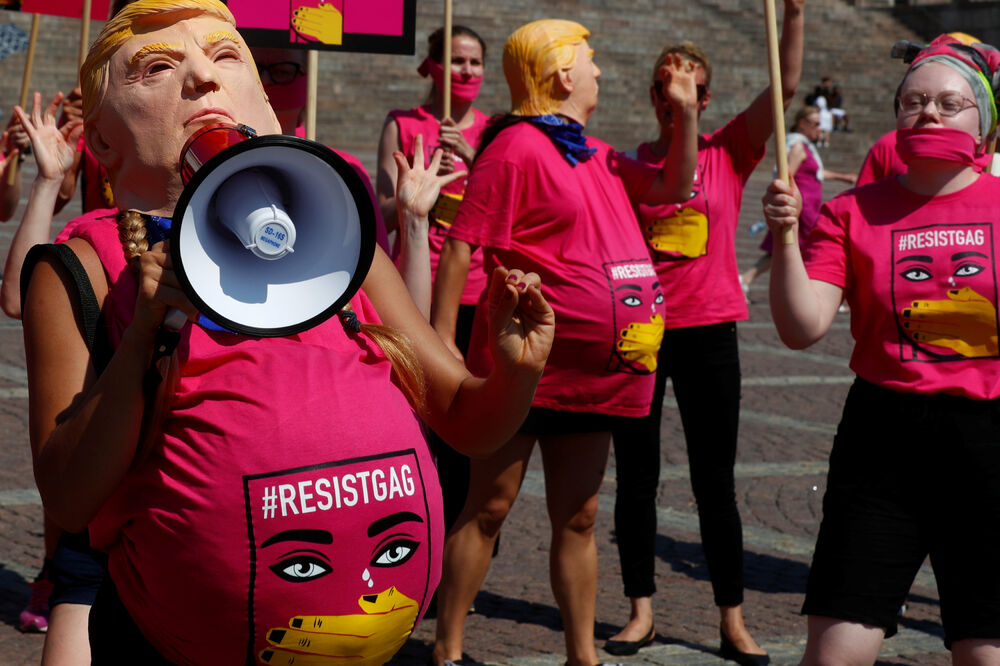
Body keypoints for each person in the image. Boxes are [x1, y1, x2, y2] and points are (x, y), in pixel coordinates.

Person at [21, 1, 553, 663]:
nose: (201, 81)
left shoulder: (341, 244)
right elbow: (70, 498)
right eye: (156, 68)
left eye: (224, 57)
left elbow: (465, 420)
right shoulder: (85, 269)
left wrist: (516, 373)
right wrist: (144, 339)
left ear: (266, 106)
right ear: (101, 141)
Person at [430, 19, 698, 666]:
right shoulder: (516, 145)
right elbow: (463, 244)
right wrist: (440, 342)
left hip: (595, 374)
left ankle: (584, 657)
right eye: (591, 60)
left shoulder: (595, 151)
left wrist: (685, 116)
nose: (601, 72)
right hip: (526, 364)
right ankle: (448, 648)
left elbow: (672, 188)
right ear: (561, 75)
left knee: (578, 517)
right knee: (489, 505)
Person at [762, 34, 1000, 665]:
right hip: (882, 441)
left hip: (990, 441)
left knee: (985, 650)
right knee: (837, 649)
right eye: (914, 100)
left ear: (986, 126)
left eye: (950, 103)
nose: (929, 112)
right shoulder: (850, 211)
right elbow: (803, 324)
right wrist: (786, 240)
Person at [605, 5, 804, 663]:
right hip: (645, 332)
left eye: (687, 85)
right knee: (636, 476)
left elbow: (786, 86)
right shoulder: (630, 164)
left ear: (706, 97)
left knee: (713, 480)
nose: (675, 96)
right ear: (654, 98)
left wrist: (795, 13)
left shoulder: (728, 150)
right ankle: (641, 611)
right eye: (665, 86)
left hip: (711, 329)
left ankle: (732, 619)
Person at [377, 25, 490, 318]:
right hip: (415, 280)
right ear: (435, 66)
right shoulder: (402, 124)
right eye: (458, 60)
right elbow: (383, 218)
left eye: (475, 63)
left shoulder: (494, 132)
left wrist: (470, 156)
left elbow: (507, 211)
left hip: (475, 286)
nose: (467, 71)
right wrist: (420, 187)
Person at [740, 105, 856, 295]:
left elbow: (817, 173)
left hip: (806, 207)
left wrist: (844, 177)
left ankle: (745, 280)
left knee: (780, 250)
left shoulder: (805, 146)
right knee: (819, 248)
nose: (820, 128)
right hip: (803, 210)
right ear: (803, 124)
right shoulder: (798, 146)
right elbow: (786, 176)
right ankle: (813, 292)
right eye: (817, 124)